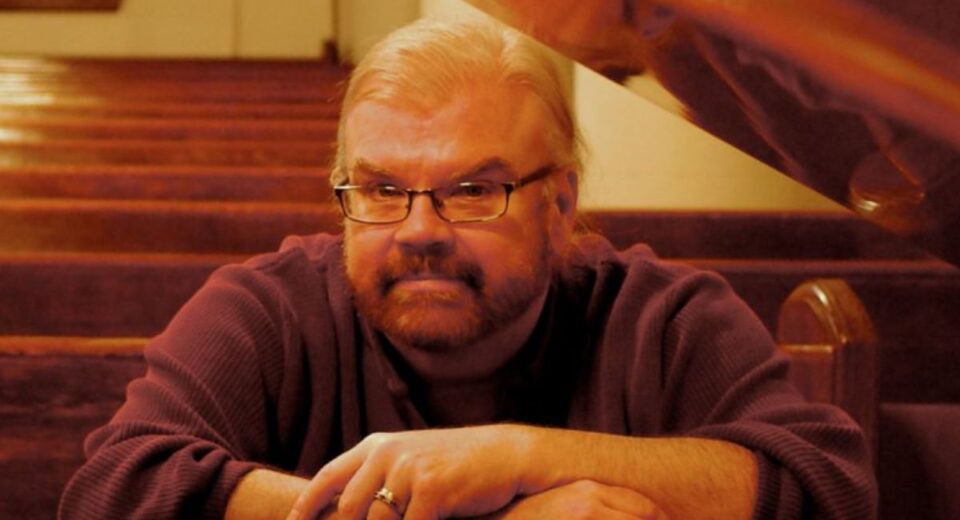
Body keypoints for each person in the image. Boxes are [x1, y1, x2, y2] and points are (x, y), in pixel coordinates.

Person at [59, 17, 875, 520]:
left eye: (474, 190)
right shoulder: (265, 310)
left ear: (560, 204)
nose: (420, 231)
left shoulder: (663, 320)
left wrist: (516, 456)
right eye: (382, 190)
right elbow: (113, 489)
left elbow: (829, 486)